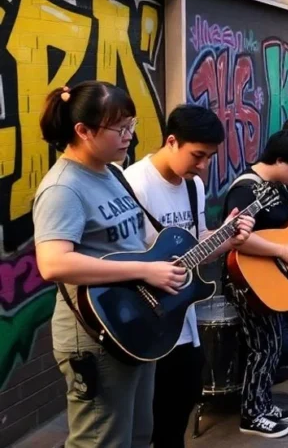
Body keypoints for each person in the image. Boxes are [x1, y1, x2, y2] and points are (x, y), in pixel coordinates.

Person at [32, 82, 249, 448]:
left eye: (131, 127)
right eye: (120, 130)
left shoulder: (113, 174)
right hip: (94, 334)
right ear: (83, 131)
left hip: (134, 327)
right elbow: (53, 264)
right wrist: (144, 271)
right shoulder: (64, 188)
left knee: (138, 435)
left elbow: (135, 248)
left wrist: (220, 239)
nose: (130, 138)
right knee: (101, 440)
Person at [123, 105, 234, 448]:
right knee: (152, 418)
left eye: (210, 157)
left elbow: (197, 245)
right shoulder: (133, 185)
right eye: (197, 155)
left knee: (181, 403)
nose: (202, 166)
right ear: (171, 141)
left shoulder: (193, 187)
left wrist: (227, 236)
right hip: (146, 317)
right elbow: (120, 258)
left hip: (183, 321)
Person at [224, 130, 288, 438]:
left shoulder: (275, 186)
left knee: (273, 344)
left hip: (271, 277)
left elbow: (287, 225)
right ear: (278, 160)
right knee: (261, 348)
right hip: (248, 279)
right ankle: (251, 414)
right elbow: (238, 239)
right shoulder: (245, 190)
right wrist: (281, 251)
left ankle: (262, 403)